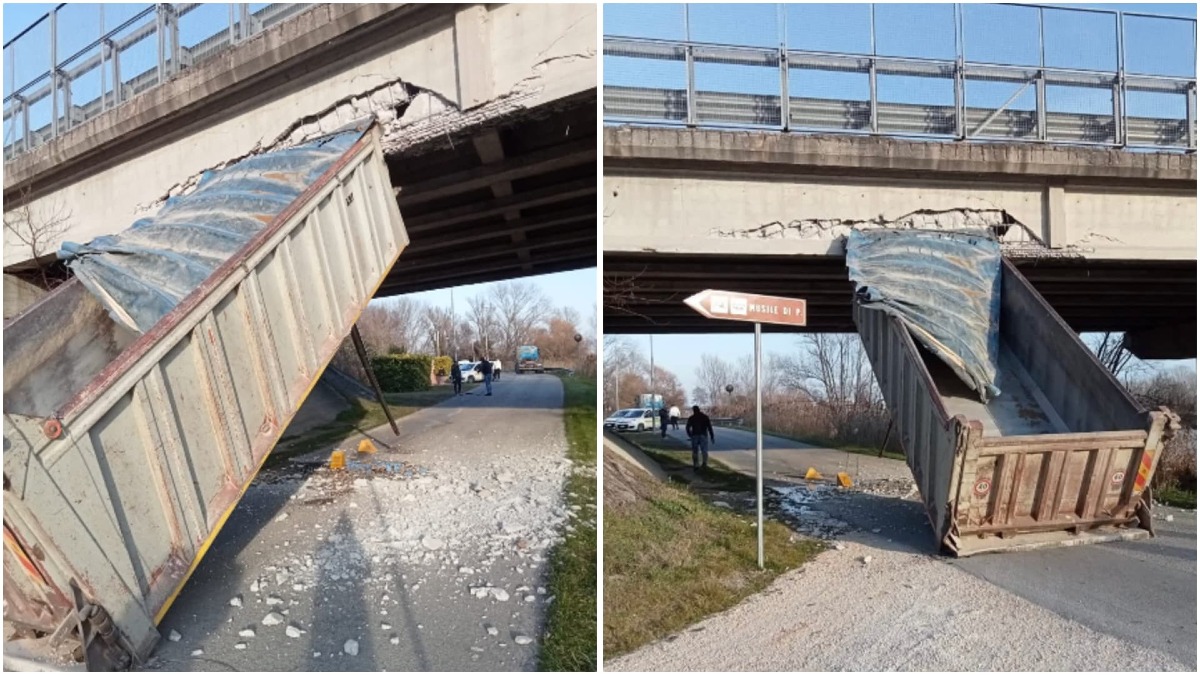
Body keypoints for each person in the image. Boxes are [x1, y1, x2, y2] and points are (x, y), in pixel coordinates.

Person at [686, 404, 715, 470]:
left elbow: (687, 427)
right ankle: (704, 463)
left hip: (694, 435)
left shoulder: (691, 418)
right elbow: (709, 427)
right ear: (699, 409)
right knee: (704, 450)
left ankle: (696, 464)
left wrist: (690, 435)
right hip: (703, 435)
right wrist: (712, 436)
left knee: (695, 451)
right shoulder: (705, 417)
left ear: (693, 410)